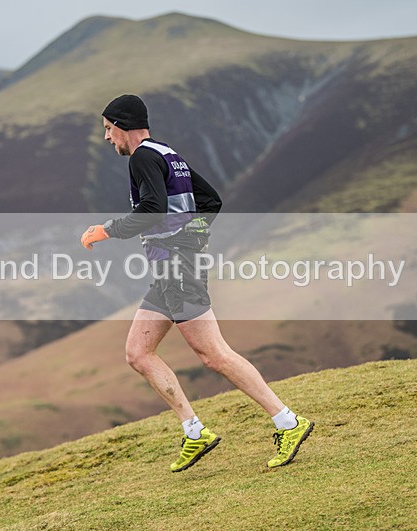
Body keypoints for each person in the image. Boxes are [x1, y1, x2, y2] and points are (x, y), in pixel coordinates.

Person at [80, 94, 313, 472]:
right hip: (170, 270)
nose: (107, 138)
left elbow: (152, 208)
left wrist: (107, 231)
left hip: (178, 269)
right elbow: (211, 201)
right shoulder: (167, 153)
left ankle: (288, 421)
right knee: (138, 353)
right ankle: (194, 431)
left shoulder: (142, 156)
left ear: (122, 125)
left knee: (213, 354)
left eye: (108, 129)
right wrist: (194, 233)